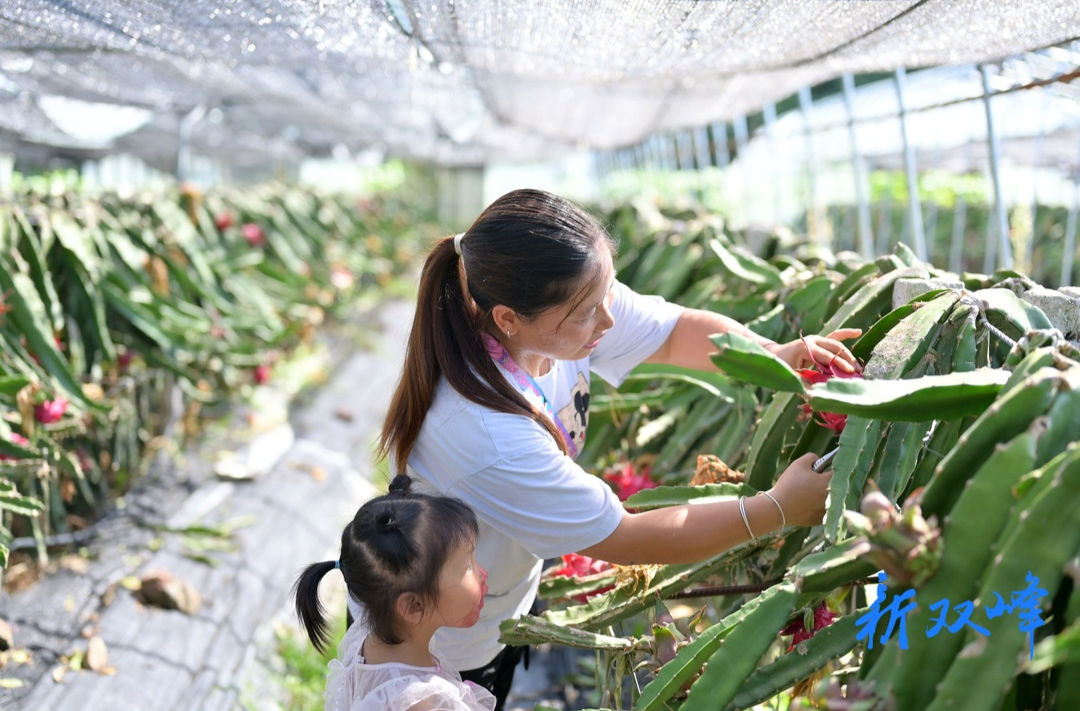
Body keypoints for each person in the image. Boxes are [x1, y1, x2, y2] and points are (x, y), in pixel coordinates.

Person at [378, 188, 861, 709]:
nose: (606, 322)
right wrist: (777, 510)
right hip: (446, 645)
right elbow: (625, 536)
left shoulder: (569, 303)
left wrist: (771, 355)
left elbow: (675, 333)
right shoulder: (484, 432)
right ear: (508, 319)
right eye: (586, 313)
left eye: (605, 296)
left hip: (499, 589)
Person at [293, 474, 495, 711]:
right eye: (468, 566)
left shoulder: (366, 642)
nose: (482, 573)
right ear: (413, 606)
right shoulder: (427, 703)